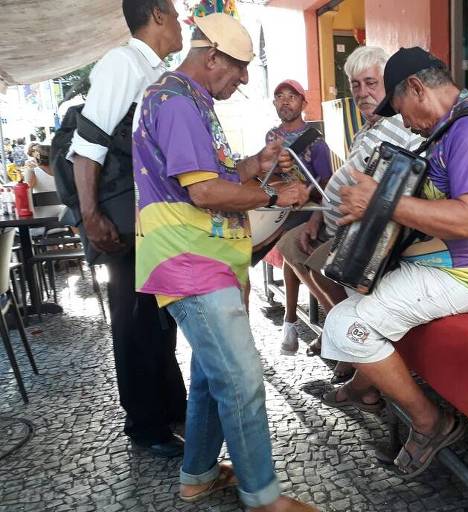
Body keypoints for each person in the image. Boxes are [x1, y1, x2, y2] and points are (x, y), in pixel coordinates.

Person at [133, 13, 316, 512]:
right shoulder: (175, 102)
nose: (240, 83)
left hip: (205, 257)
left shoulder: (189, 98)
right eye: (236, 72)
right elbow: (206, 191)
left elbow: (209, 172)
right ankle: (263, 498)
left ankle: (198, 475)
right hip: (189, 260)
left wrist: (253, 165)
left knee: (215, 376)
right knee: (241, 379)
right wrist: (274, 192)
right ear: (211, 56)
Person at [319, 47, 468, 478]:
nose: (404, 122)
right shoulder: (451, 127)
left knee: (343, 326)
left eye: (402, 110)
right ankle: (363, 387)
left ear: (416, 87)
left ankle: (431, 423)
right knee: (353, 293)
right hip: (446, 262)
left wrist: (381, 200)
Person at [68, 0, 187, 458]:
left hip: (150, 220)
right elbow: (88, 144)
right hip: (120, 222)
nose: (180, 23)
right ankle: (145, 424)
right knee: (135, 323)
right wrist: (91, 214)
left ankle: (170, 405)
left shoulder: (155, 71)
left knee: (160, 318)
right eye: (175, 14)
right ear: (156, 14)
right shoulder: (123, 62)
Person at [274, 45, 422, 372]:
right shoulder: (369, 127)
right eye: (355, 85)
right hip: (336, 222)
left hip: (365, 229)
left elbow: (387, 192)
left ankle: (350, 339)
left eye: (371, 83)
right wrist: (317, 215)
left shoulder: (399, 125)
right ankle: (338, 330)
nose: (362, 93)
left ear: (391, 84)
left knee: (318, 263)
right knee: (290, 243)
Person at [259, 79, 332, 354]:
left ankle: (297, 322)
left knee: (291, 246)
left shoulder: (316, 142)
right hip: (281, 208)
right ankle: (292, 322)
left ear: (303, 103)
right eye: (280, 96)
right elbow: (268, 176)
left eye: (292, 96)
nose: (285, 101)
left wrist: (304, 193)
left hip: (307, 211)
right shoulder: (271, 138)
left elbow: (326, 183)